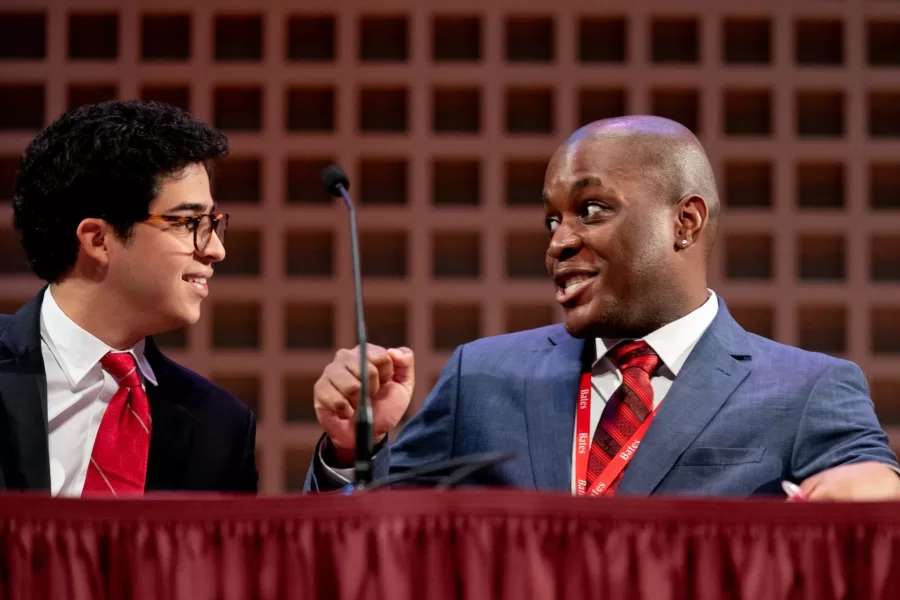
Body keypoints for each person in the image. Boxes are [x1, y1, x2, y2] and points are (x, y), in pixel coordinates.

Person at [306, 115, 900, 501]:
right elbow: (355, 551)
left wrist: (876, 490)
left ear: (685, 223)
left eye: (591, 209)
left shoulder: (805, 390)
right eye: (552, 219)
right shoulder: (480, 379)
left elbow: (875, 488)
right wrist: (354, 450)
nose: (558, 241)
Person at [0, 100, 257, 496]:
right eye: (188, 223)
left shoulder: (219, 427)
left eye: (213, 224)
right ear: (98, 240)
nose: (215, 250)